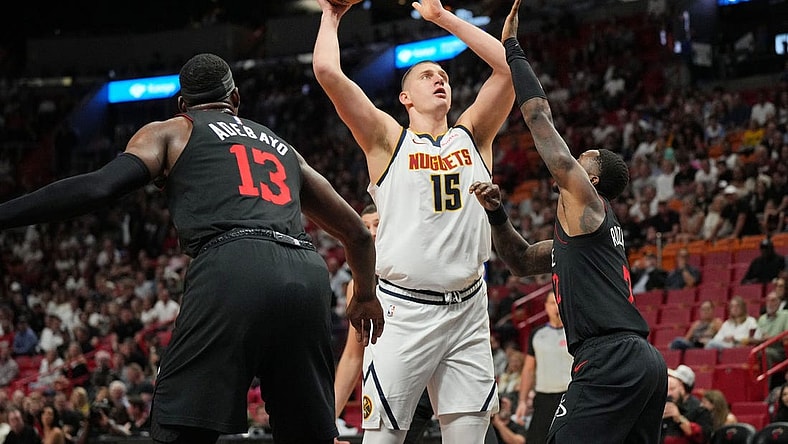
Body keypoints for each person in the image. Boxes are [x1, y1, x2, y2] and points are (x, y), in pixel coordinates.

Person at [0, 53, 385, 444]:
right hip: (305, 271)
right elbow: (356, 233)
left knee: (179, 426)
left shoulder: (172, 130)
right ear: (234, 98)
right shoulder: (281, 147)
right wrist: (365, 295)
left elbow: (100, 187)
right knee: (307, 435)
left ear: (183, 104)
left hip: (233, 264)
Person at [313, 0, 542, 441]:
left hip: (469, 309)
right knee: (382, 438)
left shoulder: (473, 133)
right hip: (403, 310)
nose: (439, 79)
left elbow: (509, 71)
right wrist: (331, 14)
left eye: (444, 77)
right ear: (404, 97)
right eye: (426, 75)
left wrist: (442, 18)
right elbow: (328, 72)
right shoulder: (385, 138)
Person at [484, 1, 668, 442]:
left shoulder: (587, 202)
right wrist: (496, 214)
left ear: (594, 177)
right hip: (641, 361)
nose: (570, 160)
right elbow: (523, 260)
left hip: (610, 358)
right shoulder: (587, 237)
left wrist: (513, 49)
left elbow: (538, 117)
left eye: (580, 158)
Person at [333, 204, 435, 444]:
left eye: (378, 223)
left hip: (444, 370)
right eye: (365, 226)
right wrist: (328, 423)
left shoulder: (420, 264)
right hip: (401, 385)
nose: (372, 232)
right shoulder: (356, 288)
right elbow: (352, 356)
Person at [511, 290, 572, 444]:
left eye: (558, 303)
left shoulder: (574, 332)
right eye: (552, 303)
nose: (556, 307)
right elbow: (528, 369)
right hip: (544, 398)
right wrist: (522, 401)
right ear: (546, 306)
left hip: (570, 397)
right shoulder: (537, 334)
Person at [661, 365, 714, 444]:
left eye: (672, 388)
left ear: (682, 388)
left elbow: (702, 437)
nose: (668, 393)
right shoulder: (666, 405)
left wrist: (678, 418)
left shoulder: (700, 410)